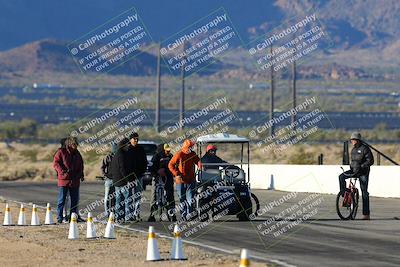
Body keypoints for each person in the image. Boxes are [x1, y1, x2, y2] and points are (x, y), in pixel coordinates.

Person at [339, 132, 374, 220]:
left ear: (358, 140)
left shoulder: (365, 149)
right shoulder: (353, 150)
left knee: (364, 193)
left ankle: (366, 214)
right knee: (341, 176)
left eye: (354, 140)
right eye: (351, 140)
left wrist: (362, 166)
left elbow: (370, 161)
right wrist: (352, 168)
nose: (352, 141)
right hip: (354, 170)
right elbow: (353, 162)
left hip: (363, 172)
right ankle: (344, 194)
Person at [53, 136, 84, 223]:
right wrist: (63, 172)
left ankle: (73, 217)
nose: (76, 146)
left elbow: (81, 165)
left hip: (75, 181)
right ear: (69, 144)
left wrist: (81, 174)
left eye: (76, 144)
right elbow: (56, 163)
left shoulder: (77, 154)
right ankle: (59, 218)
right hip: (64, 180)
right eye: (74, 144)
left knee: (75, 200)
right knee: (61, 200)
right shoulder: (61, 152)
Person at [168, 139, 200, 221]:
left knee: (190, 199)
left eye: (192, 147)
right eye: (190, 147)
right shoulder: (179, 154)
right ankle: (183, 215)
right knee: (182, 199)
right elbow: (170, 165)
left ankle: (189, 215)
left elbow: (198, 161)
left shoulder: (193, 154)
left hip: (190, 180)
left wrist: (200, 165)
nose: (192, 148)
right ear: (186, 147)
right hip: (180, 181)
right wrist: (176, 173)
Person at [148, 143, 176, 222]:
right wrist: (156, 173)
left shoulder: (171, 156)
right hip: (157, 179)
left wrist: (168, 173)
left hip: (168, 179)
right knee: (154, 196)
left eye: (169, 150)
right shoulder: (156, 156)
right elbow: (151, 168)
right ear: (162, 150)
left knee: (170, 196)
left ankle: (172, 215)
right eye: (166, 151)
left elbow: (174, 166)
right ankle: (152, 215)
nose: (168, 152)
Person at [110, 138, 133, 223]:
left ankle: (119, 217)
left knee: (119, 200)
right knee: (127, 199)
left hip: (116, 180)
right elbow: (122, 168)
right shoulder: (122, 155)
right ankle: (126, 217)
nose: (128, 146)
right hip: (122, 181)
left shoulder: (116, 154)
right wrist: (127, 179)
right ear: (123, 145)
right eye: (127, 145)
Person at [126, 132, 148, 221]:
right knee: (129, 196)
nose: (136, 140)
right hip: (129, 177)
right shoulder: (127, 149)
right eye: (134, 138)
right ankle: (129, 215)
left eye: (137, 138)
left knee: (138, 196)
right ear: (130, 139)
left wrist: (142, 172)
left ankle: (136, 214)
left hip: (139, 176)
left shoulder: (141, 149)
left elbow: (144, 161)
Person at [101, 143, 117, 217]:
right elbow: (102, 167)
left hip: (117, 180)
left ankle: (113, 213)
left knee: (115, 198)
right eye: (115, 148)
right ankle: (107, 213)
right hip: (108, 180)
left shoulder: (119, 157)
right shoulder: (108, 157)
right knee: (107, 198)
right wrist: (105, 175)